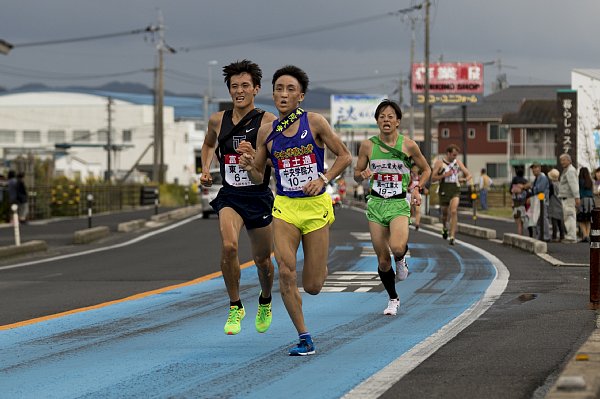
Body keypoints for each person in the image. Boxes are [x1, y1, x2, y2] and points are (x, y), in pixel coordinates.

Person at [238, 65, 352, 356]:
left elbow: (345, 156)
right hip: (285, 207)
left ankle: (319, 268)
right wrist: (249, 164)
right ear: (273, 94)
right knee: (286, 271)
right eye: (279, 89)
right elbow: (258, 175)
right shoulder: (267, 131)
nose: (284, 94)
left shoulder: (315, 123)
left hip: (315, 207)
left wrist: (323, 179)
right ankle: (304, 337)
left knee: (312, 285)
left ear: (300, 96)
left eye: (290, 89)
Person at [199, 59, 278, 336]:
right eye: (234, 86)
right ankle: (235, 306)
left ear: (256, 89)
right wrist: (205, 169)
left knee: (263, 260)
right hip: (231, 195)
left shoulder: (267, 122)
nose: (239, 91)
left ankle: (265, 300)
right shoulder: (217, 120)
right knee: (229, 247)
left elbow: (274, 161)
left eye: (245, 85)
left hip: (257, 195)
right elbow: (209, 143)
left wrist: (254, 157)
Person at [354, 99, 431, 316]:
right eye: (382, 117)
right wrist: (362, 174)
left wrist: (417, 189)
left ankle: (402, 258)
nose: (386, 120)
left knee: (397, 247)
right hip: (376, 204)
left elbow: (426, 169)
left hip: (398, 202)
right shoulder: (368, 145)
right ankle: (393, 298)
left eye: (390, 117)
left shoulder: (408, 145)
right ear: (377, 121)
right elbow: (356, 174)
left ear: (398, 121)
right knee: (382, 260)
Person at [430, 144, 472, 245]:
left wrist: (464, 179)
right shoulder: (440, 163)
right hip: (444, 189)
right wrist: (444, 175)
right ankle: (444, 227)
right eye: (453, 155)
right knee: (445, 214)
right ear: (448, 153)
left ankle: (452, 236)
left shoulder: (457, 162)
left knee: (453, 211)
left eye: (456, 155)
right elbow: (433, 178)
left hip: (455, 189)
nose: (455, 157)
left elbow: (468, 174)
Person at [525, 163, 550, 241]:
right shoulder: (537, 178)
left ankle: (545, 236)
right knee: (538, 219)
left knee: (543, 218)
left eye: (536, 168)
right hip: (537, 201)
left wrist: (531, 187)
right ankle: (540, 235)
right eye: (533, 168)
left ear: (539, 168)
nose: (534, 170)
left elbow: (540, 189)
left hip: (542, 201)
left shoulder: (542, 178)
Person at [558, 154, 580, 243]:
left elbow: (574, 184)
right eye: (561, 160)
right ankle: (571, 235)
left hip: (569, 198)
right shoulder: (567, 170)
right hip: (566, 198)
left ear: (569, 160)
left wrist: (577, 197)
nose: (562, 162)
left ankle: (571, 236)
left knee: (570, 216)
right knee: (568, 217)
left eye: (564, 160)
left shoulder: (570, 170)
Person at [577, 166, 595, 243]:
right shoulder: (590, 181)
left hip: (583, 200)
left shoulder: (580, 181)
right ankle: (587, 235)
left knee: (581, 219)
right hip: (591, 201)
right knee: (588, 219)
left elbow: (578, 191)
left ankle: (585, 235)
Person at [547, 168, 565, 242]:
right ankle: (562, 236)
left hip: (554, 204)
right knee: (560, 222)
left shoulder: (552, 185)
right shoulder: (560, 184)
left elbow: (549, 195)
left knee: (554, 221)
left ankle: (554, 236)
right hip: (560, 203)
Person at [510, 167, 529, 236]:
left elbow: (510, 191)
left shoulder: (514, 181)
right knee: (523, 221)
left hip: (516, 205)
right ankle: (526, 234)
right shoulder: (525, 181)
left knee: (518, 224)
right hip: (523, 205)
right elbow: (528, 192)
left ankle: (520, 235)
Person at [408, 164, 427, 230]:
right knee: (409, 210)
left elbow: (422, 184)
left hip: (417, 194)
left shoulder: (419, 176)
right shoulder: (409, 175)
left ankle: (417, 224)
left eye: (416, 168)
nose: (415, 170)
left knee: (418, 209)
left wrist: (424, 189)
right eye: (414, 168)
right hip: (409, 194)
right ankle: (408, 221)